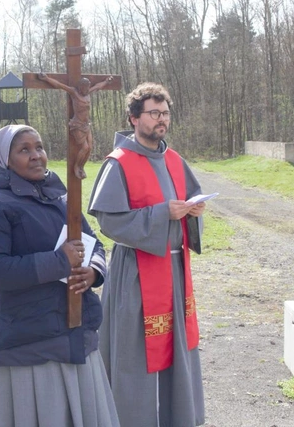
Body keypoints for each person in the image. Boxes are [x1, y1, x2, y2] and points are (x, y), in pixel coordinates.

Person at [0, 124, 120, 427]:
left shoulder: (63, 200)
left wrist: (93, 272)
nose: (36, 155)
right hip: (28, 341)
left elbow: (95, 246)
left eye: (38, 147)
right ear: (5, 158)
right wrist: (58, 262)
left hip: (77, 333)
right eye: (23, 149)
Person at [88, 83, 208, 427]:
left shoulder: (174, 159)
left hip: (174, 267)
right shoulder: (119, 163)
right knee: (134, 351)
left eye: (165, 113)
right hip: (136, 271)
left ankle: (177, 417)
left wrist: (193, 211)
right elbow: (110, 222)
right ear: (134, 118)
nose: (161, 120)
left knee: (177, 347)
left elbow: (190, 197)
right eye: (153, 113)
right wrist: (161, 215)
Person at [37, 73, 114, 180]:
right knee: (85, 147)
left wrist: (106, 82)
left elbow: (98, 86)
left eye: (87, 87)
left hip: (86, 125)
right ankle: (77, 166)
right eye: (84, 87)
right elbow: (59, 85)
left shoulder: (88, 93)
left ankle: (82, 166)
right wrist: (46, 78)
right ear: (80, 87)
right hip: (77, 124)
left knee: (90, 147)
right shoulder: (74, 92)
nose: (86, 90)